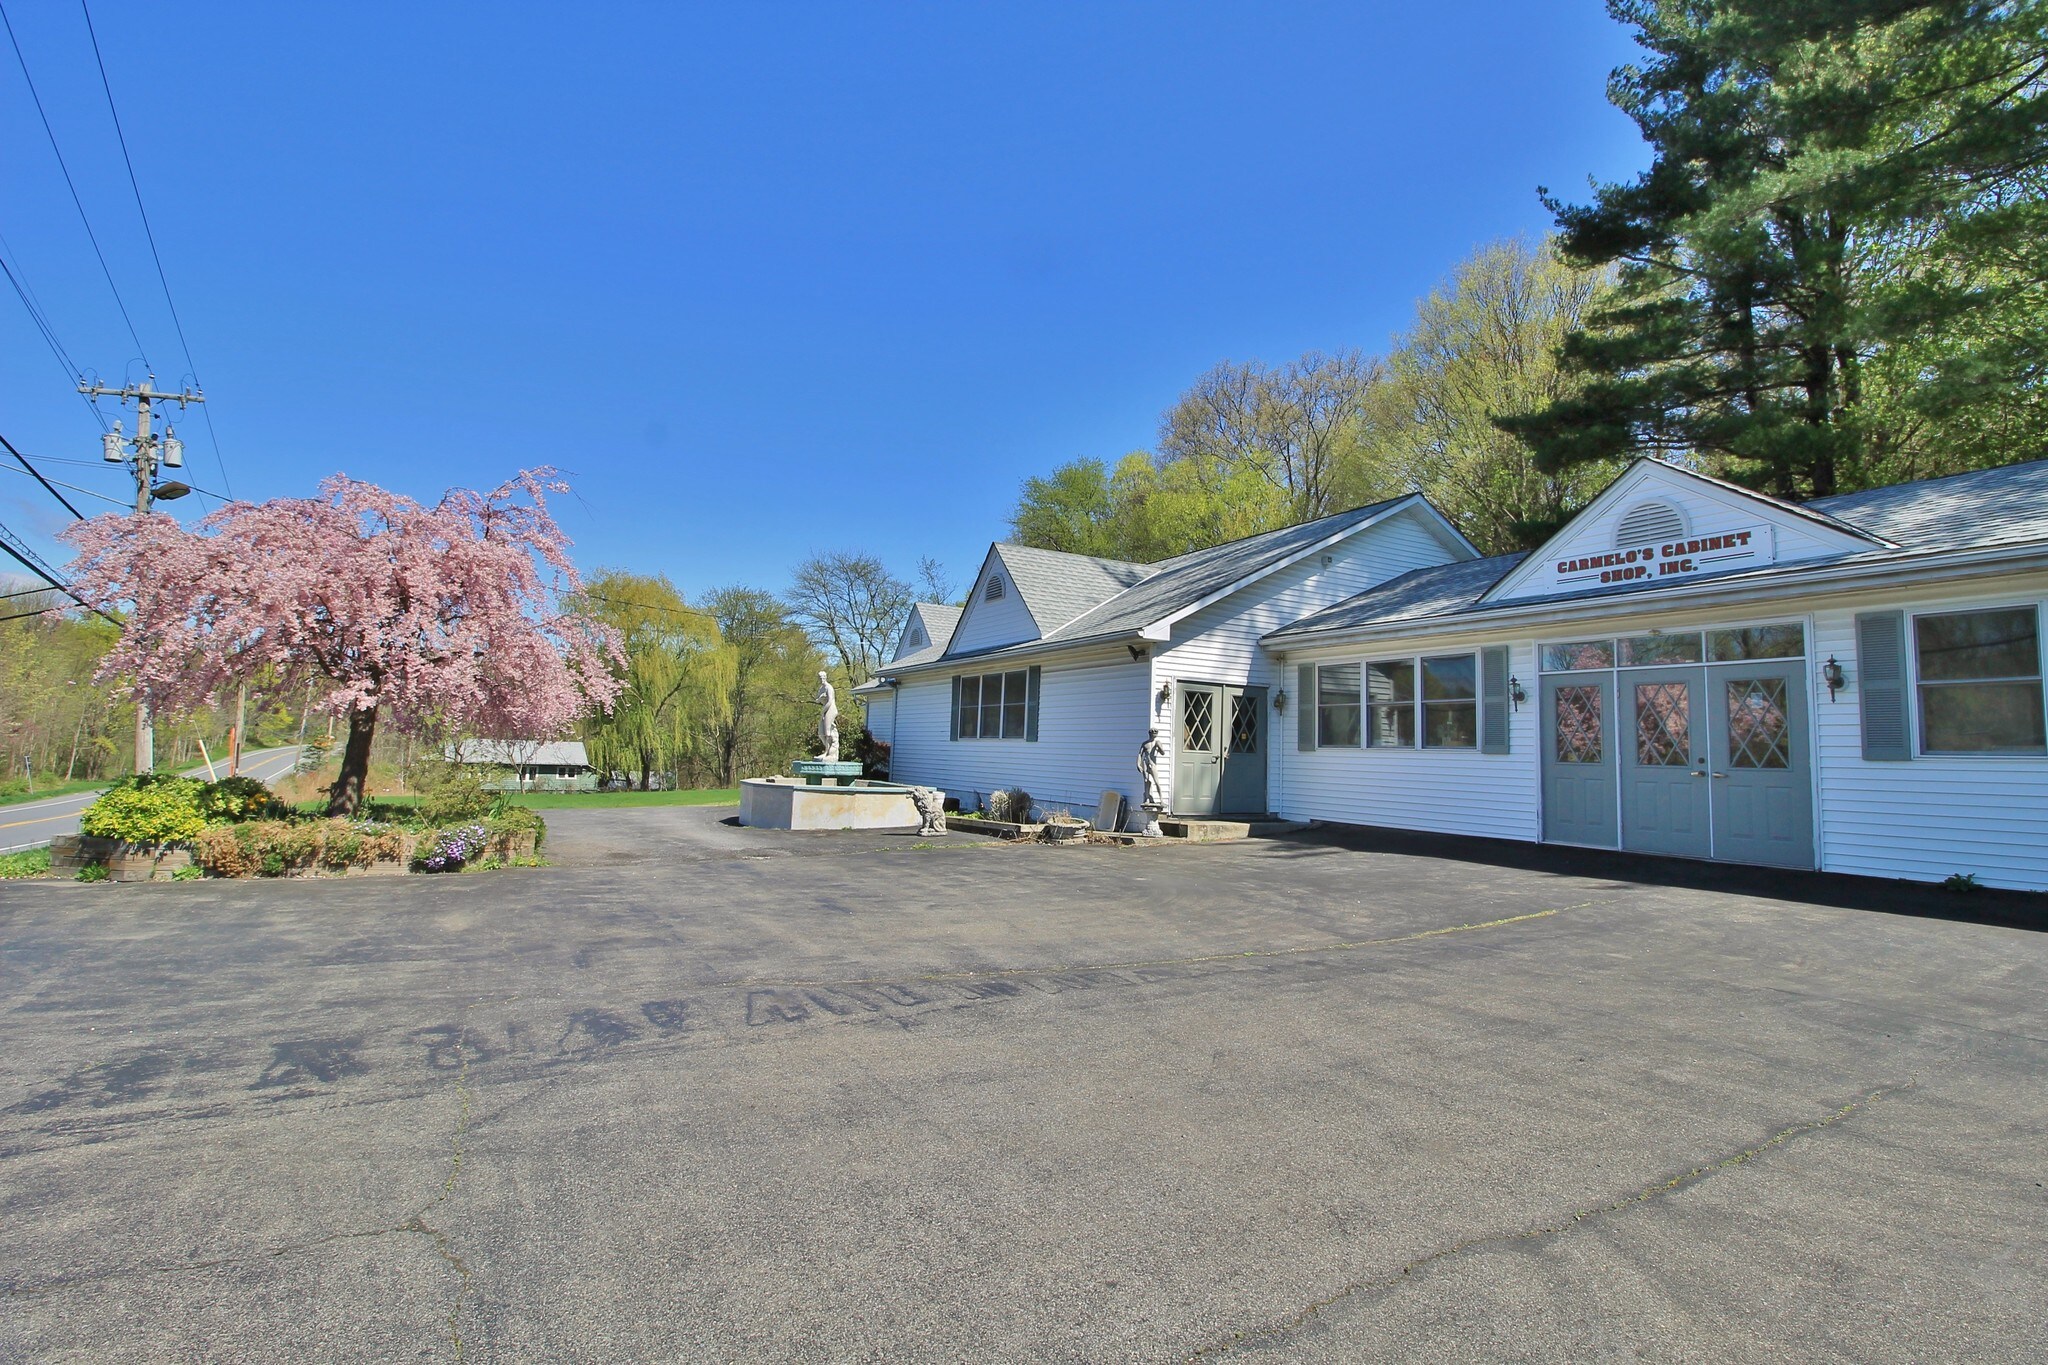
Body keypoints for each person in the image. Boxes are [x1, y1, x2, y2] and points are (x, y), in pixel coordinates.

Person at [1137, 727, 1166, 808]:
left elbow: (1163, 753)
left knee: (1157, 782)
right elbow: (1140, 754)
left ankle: (1161, 800)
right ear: (1149, 733)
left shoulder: (1157, 742)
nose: (1153, 733)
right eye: (1152, 732)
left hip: (1152, 764)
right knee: (1146, 781)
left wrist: (1159, 747)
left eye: (1155, 732)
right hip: (1145, 763)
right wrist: (1138, 764)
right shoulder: (1145, 743)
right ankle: (1147, 798)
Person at [815, 671, 840, 762]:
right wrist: (819, 699)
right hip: (824, 709)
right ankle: (827, 750)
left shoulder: (829, 687)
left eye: (823, 677)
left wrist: (823, 711)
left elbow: (830, 701)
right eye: (820, 677)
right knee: (821, 733)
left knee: (827, 731)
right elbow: (818, 700)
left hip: (830, 709)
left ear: (826, 677)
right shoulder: (821, 688)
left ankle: (829, 753)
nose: (822, 679)